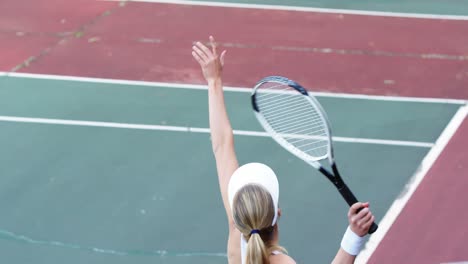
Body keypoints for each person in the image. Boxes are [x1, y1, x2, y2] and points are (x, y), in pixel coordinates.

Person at [192, 36, 375, 264]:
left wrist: (213, 81)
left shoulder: (236, 243)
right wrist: (354, 237)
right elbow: (221, 145)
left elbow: (221, 145)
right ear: (277, 213)